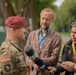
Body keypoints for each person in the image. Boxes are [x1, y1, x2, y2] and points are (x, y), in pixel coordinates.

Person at [25, 8, 62, 75]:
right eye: (43, 18)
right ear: (40, 18)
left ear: (52, 20)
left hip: (47, 73)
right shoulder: (31, 34)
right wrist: (33, 64)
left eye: (47, 19)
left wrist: (39, 61)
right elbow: (26, 55)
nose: (44, 21)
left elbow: (54, 58)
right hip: (32, 73)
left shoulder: (57, 37)